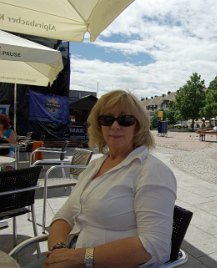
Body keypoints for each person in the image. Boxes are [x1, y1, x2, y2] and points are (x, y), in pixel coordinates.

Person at [40, 90, 177, 268]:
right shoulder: (95, 165)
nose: (114, 126)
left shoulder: (152, 171)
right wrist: (59, 251)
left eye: (125, 119)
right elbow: (66, 214)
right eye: (107, 119)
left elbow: (156, 246)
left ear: (138, 125)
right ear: (99, 125)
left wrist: (80, 258)